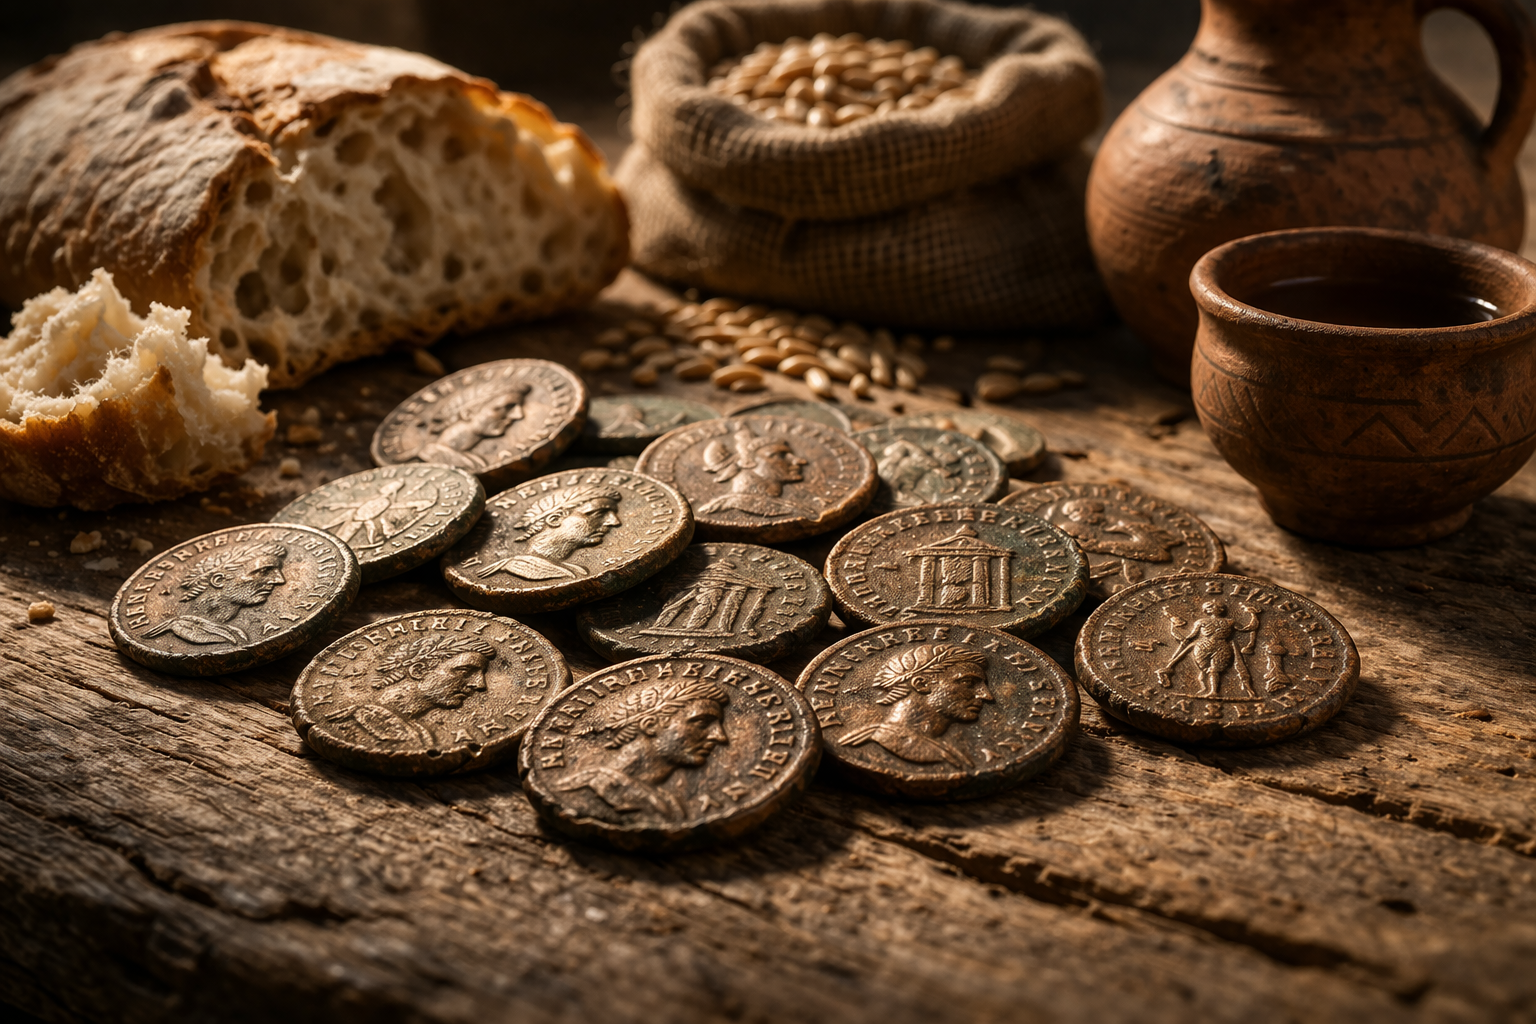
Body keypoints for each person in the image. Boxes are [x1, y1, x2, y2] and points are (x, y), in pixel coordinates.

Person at [554, 678, 730, 821]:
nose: (720, 736)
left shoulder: (668, 802)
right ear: (650, 725)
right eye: (702, 722)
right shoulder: (590, 786)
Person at [323, 633, 497, 750]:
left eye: (480, 674)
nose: (480, 684)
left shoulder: (416, 731)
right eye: (465, 672)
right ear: (419, 670)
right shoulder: (358, 719)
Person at [839, 644, 992, 768]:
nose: (986, 695)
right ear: (921, 684)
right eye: (969, 683)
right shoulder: (880, 739)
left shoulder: (945, 750)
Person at [143, 542, 288, 645]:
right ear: (219, 580)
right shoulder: (187, 629)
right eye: (264, 571)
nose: (279, 580)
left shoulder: (235, 632)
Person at [475, 483, 623, 580]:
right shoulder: (520, 567)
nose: (614, 521)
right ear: (555, 519)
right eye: (598, 514)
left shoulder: (574, 570)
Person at [1053, 498, 1181, 586]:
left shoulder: (1128, 525)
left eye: (1075, 512)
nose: (1073, 517)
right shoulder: (1088, 530)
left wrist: (1100, 546)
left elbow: (1155, 551)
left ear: (1090, 509)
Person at [697, 427, 812, 517]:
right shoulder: (720, 507)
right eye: (780, 455)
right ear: (748, 462)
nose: (799, 461)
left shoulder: (792, 508)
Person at [1157, 599, 1261, 697]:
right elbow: (1249, 628)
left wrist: (1254, 615)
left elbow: (1190, 637)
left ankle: (1212, 691)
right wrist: (1254, 615)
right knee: (1210, 669)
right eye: (1211, 607)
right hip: (1210, 646)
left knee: (1212, 669)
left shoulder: (1211, 622)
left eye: (1215, 607)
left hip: (1211, 646)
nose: (1214, 609)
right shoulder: (1225, 622)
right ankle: (1207, 689)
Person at [415, 382, 531, 469]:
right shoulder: (428, 455)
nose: (518, 415)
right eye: (506, 407)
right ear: (468, 413)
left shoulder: (477, 462)